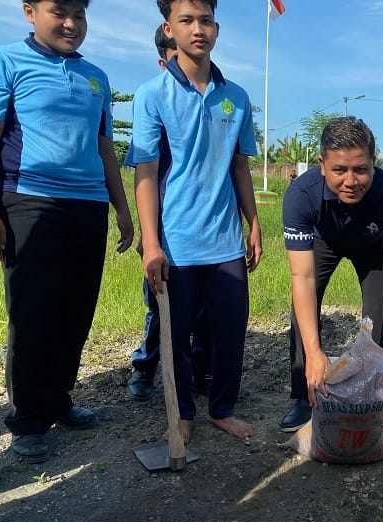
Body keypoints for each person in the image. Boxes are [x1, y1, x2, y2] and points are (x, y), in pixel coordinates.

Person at [0, 0, 134, 463]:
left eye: (80, 14)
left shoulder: (97, 75)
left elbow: (104, 147)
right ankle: (28, 419)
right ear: (29, 11)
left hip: (89, 205)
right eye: (60, 12)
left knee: (75, 310)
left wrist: (121, 207)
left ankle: (59, 399)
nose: (72, 24)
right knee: (33, 313)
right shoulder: (8, 60)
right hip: (29, 200)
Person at [126, 0, 262, 443]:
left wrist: (253, 221)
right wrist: (151, 243)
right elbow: (145, 173)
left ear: (217, 29)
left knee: (229, 332)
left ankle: (221, 409)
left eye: (205, 20)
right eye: (186, 21)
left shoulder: (236, 98)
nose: (197, 29)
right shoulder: (152, 95)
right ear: (170, 28)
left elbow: (239, 166)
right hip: (176, 241)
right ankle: (182, 414)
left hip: (224, 241)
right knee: (175, 335)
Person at [280, 116, 383, 432]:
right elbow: (302, 278)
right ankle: (305, 395)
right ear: (322, 164)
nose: (351, 181)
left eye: (361, 169)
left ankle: (372, 393)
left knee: (376, 312)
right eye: (340, 170)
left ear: (373, 163)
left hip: (373, 242)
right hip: (324, 238)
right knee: (304, 305)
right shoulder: (301, 195)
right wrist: (315, 352)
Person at [126, 25, 212, 402]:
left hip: (206, 229)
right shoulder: (153, 106)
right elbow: (144, 175)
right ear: (164, 60)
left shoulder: (210, 104)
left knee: (204, 307)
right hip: (164, 225)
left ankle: (197, 372)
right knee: (160, 303)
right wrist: (150, 238)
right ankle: (145, 368)